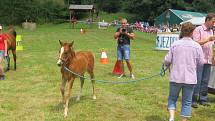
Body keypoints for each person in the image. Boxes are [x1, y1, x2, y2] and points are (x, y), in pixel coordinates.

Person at [164, 22, 204, 121]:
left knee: (172, 98)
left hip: (176, 77)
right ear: (192, 32)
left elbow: (167, 60)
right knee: (187, 101)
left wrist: (167, 64)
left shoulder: (175, 44)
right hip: (190, 78)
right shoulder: (197, 46)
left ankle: (172, 117)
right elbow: (201, 62)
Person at [192, 13, 215, 108]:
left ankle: (203, 99)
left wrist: (213, 57)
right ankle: (193, 99)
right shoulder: (198, 29)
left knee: (205, 80)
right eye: (213, 21)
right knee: (197, 79)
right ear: (207, 20)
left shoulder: (211, 31)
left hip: (208, 59)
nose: (214, 24)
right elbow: (195, 43)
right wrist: (207, 39)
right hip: (199, 59)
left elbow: (211, 45)